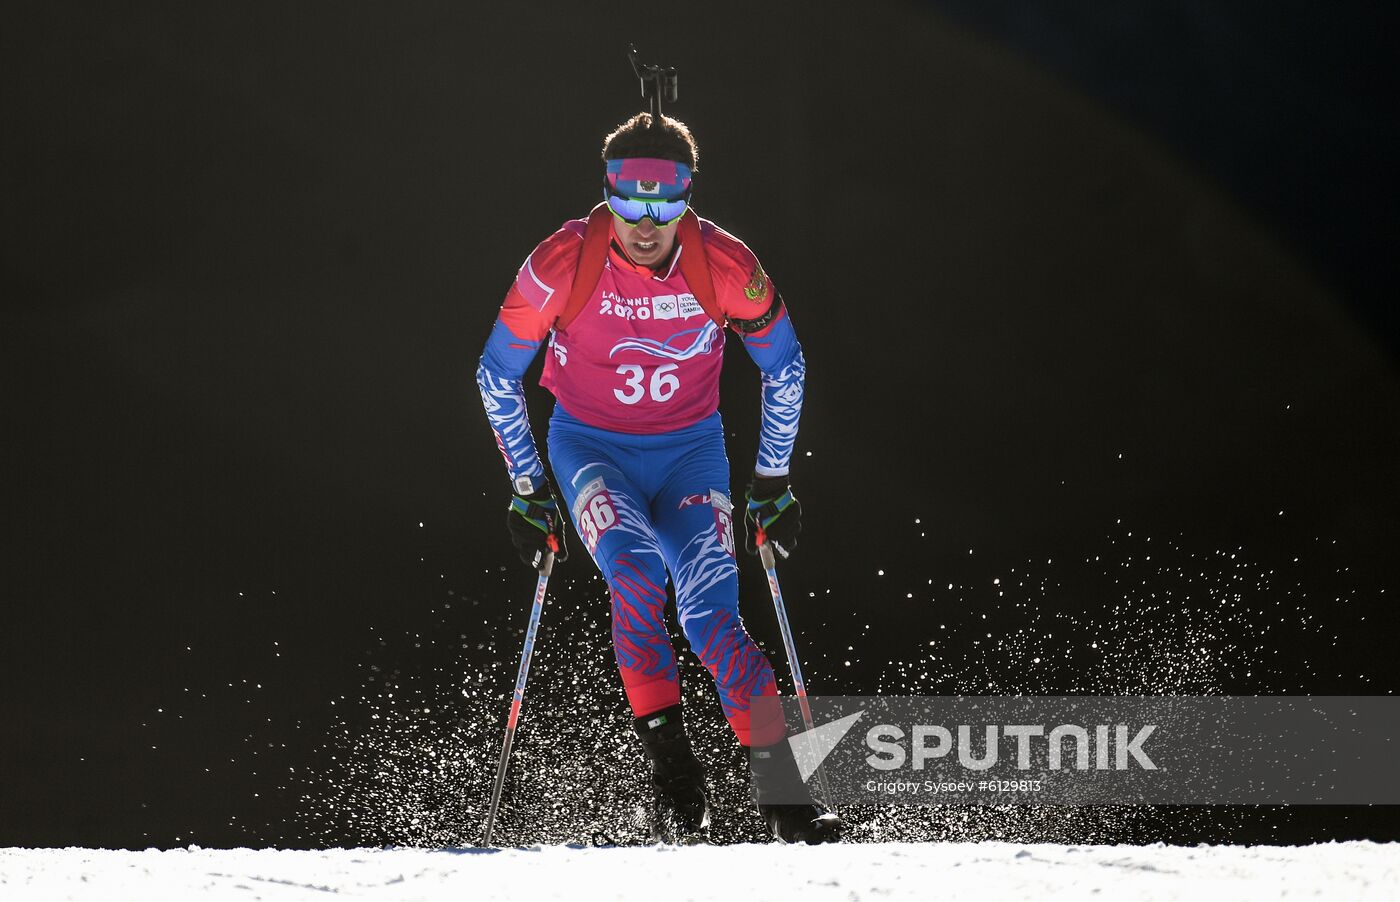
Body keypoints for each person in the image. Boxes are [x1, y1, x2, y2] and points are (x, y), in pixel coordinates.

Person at [476, 111, 838, 844]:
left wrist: (772, 480)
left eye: (666, 199)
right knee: (636, 570)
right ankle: (674, 772)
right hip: (592, 449)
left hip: (688, 455)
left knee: (711, 613)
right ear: (605, 191)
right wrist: (527, 487)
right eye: (627, 198)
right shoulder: (561, 261)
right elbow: (496, 371)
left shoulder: (726, 264)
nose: (646, 221)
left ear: (689, 195)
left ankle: (786, 797)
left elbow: (786, 365)